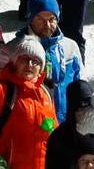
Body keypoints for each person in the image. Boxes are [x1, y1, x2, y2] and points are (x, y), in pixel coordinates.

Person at [14, 0, 83, 123]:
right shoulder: (16, 48)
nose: (47, 25)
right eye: (40, 19)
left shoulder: (70, 46)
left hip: (65, 120)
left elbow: (79, 82)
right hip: (31, 123)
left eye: (52, 19)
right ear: (30, 19)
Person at [0, 36, 58, 167]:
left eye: (35, 61)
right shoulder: (4, 91)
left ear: (41, 68)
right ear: (15, 62)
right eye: (25, 59)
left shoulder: (46, 93)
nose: (30, 65)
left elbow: (55, 134)